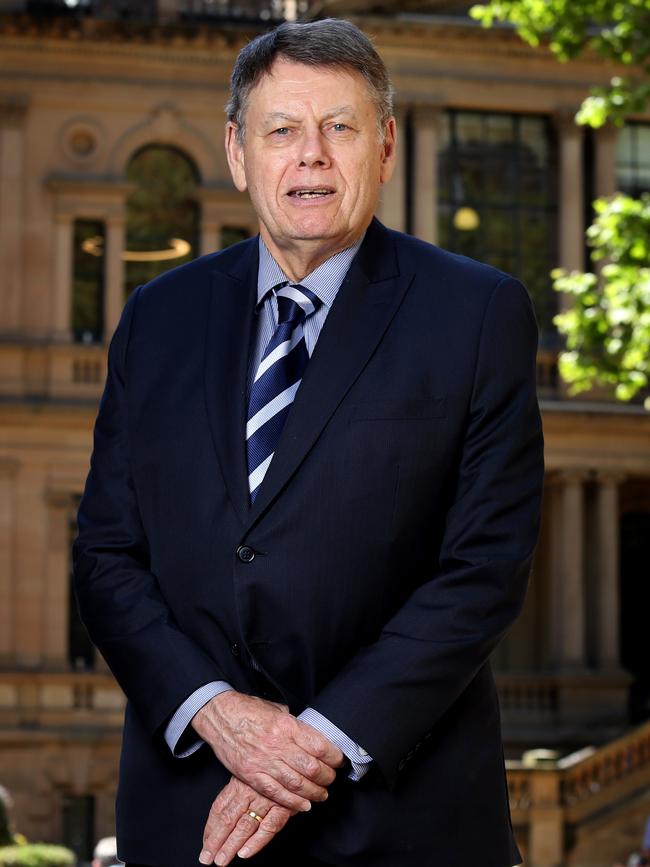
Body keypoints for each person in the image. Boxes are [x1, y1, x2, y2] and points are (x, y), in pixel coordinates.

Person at [73, 17, 544, 867]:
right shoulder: (158, 319)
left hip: (402, 822)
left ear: (386, 146)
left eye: (340, 127)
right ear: (237, 151)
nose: (311, 155)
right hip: (189, 814)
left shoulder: (477, 314)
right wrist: (215, 710)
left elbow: (484, 568)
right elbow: (108, 555)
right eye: (282, 129)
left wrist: (312, 742)